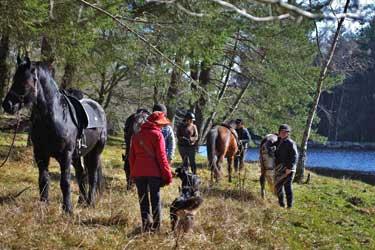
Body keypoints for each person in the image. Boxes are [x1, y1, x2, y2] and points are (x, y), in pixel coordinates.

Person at [129, 111, 173, 232]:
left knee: (143, 200)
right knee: (155, 200)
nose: (163, 126)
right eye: (162, 124)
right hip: (154, 173)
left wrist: (133, 174)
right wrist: (168, 175)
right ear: (157, 123)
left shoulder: (136, 136)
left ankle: (146, 226)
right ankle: (157, 228)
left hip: (138, 172)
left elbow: (131, 158)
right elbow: (162, 157)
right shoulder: (158, 135)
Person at [123, 108, 150, 190]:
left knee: (128, 157)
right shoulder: (148, 120)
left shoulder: (130, 119)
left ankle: (129, 184)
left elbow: (126, 135)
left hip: (129, 145)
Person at [273, 124, 298, 208]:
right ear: (279, 132)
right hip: (280, 168)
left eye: (285, 132)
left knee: (287, 187)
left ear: (288, 133)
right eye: (282, 132)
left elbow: (294, 156)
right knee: (278, 186)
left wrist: (289, 168)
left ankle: (289, 206)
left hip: (288, 169)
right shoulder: (279, 141)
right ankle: (281, 204)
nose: (283, 133)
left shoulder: (290, 143)